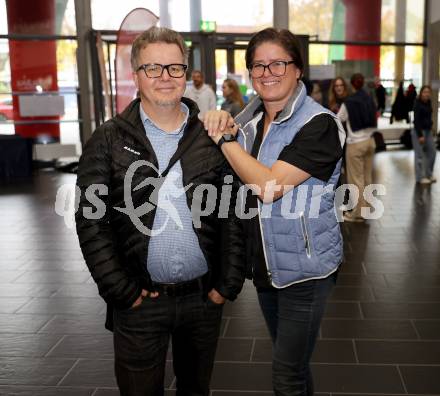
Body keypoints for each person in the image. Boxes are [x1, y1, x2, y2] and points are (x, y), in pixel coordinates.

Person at [75, 27, 245, 396]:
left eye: (175, 68)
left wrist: (226, 285)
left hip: (204, 300)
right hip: (139, 302)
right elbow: (91, 221)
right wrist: (121, 290)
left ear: (187, 71)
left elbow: (233, 210)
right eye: (153, 68)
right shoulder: (107, 139)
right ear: (136, 75)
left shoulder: (213, 135)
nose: (165, 78)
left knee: (196, 389)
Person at [203, 28, 345, 396]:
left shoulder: (320, 124)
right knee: (295, 368)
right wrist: (223, 120)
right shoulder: (250, 123)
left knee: (285, 375)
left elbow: (268, 188)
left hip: (306, 272)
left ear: (298, 69)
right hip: (266, 269)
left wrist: (225, 139)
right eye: (258, 66)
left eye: (278, 63)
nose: (268, 72)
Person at [337, 73, 377, 222]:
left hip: (356, 144)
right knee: (367, 178)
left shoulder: (349, 102)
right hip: (370, 142)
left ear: (352, 85)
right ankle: (365, 209)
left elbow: (338, 118)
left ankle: (357, 214)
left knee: (356, 180)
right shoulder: (369, 98)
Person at [412, 85, 437, 184]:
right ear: (421, 93)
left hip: (428, 131)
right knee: (419, 155)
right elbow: (416, 121)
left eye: (428, 92)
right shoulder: (417, 104)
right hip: (419, 132)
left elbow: (429, 117)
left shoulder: (429, 103)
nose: (426, 94)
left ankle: (429, 174)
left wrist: (431, 127)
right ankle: (419, 177)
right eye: (424, 92)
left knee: (432, 153)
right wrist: (420, 135)